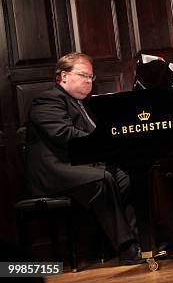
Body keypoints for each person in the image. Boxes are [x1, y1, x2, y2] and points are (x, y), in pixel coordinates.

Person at [24, 52, 144, 264]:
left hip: (76, 166)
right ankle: (127, 250)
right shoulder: (47, 100)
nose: (89, 81)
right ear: (63, 76)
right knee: (102, 180)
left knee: (125, 177)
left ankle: (137, 240)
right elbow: (63, 134)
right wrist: (103, 140)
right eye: (83, 75)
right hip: (54, 172)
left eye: (91, 77)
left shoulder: (85, 103)